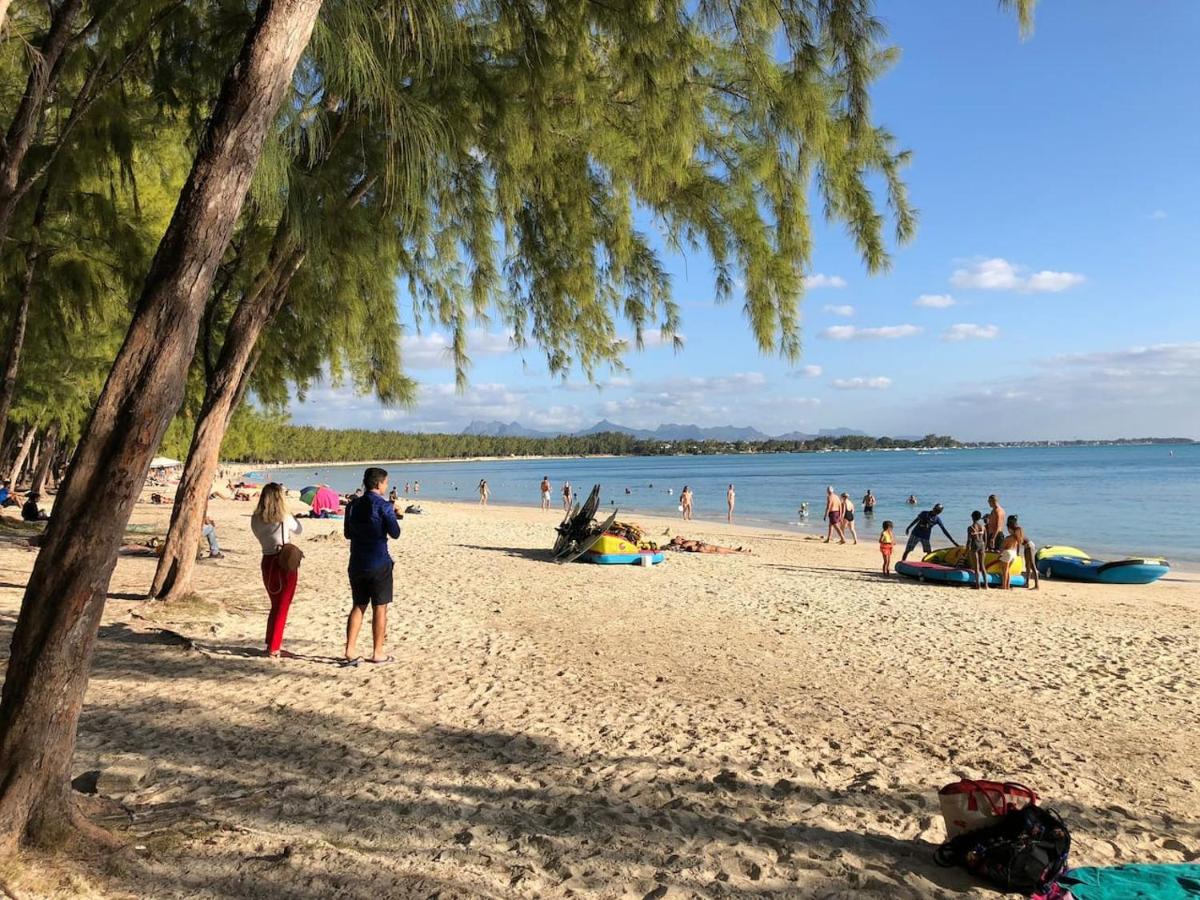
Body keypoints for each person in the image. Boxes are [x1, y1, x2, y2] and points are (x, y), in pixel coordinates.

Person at [343, 467, 401, 666]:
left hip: (357, 561)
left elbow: (348, 533)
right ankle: (378, 651)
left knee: (358, 605)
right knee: (380, 607)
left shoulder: (352, 506)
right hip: (378, 561)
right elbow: (395, 533)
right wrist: (395, 513)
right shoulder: (384, 506)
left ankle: (350, 650)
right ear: (379, 484)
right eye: (385, 483)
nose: (386, 486)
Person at [250, 483, 303, 659]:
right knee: (283, 605)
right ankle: (274, 647)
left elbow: (260, 536)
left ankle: (271, 641)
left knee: (275, 603)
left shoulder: (256, 518)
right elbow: (299, 530)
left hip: (267, 560)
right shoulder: (284, 518)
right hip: (283, 561)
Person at [1008, 514, 1040, 591]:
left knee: (1032, 565)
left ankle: (1037, 585)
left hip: (1029, 545)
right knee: (1027, 566)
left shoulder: (1018, 529)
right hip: (1026, 546)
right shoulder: (1014, 529)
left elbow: (1019, 541)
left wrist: (1017, 553)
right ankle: (1027, 583)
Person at [997, 517, 1023, 591]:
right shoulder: (1016, 538)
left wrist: (999, 555)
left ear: (1010, 529)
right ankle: (1007, 586)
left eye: (1008, 528)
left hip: (1007, 553)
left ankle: (1003, 586)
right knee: (1008, 571)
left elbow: (1002, 548)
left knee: (1004, 571)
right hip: (1013, 554)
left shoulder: (1008, 538)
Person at [967, 510, 989, 590]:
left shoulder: (970, 528)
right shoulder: (983, 527)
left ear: (972, 517)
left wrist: (967, 549)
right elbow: (986, 538)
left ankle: (978, 585)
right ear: (980, 518)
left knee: (976, 567)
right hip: (982, 545)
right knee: (982, 566)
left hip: (975, 545)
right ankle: (986, 585)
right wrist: (985, 547)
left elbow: (969, 540)